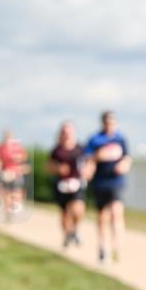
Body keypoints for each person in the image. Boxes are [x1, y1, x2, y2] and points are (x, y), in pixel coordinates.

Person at [84, 111, 132, 264]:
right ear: (103, 123)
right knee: (102, 216)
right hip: (100, 182)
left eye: (112, 122)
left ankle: (116, 247)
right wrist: (97, 158)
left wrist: (124, 165)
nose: (110, 125)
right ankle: (103, 247)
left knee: (117, 213)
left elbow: (127, 157)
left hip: (116, 182)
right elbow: (87, 159)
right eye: (107, 122)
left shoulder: (121, 139)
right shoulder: (95, 139)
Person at [47, 121, 87, 248]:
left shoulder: (80, 149)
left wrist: (87, 171)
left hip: (77, 183)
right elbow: (49, 166)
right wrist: (58, 168)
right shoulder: (56, 150)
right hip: (61, 185)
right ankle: (67, 235)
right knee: (65, 212)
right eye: (64, 132)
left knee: (78, 209)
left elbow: (88, 163)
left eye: (69, 132)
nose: (67, 135)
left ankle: (74, 229)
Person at [0, 130, 28, 221]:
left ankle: (13, 206)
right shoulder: (2, 148)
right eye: (7, 137)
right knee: (7, 193)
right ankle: (8, 212)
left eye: (9, 137)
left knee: (16, 192)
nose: (8, 139)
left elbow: (24, 157)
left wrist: (19, 160)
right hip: (6, 173)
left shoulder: (17, 147)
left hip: (16, 173)